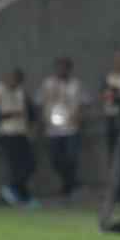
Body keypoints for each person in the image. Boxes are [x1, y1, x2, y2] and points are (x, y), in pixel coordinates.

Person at [0, 69, 38, 207]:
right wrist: (9, 114)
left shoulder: (21, 93)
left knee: (30, 165)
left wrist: (33, 128)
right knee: (16, 166)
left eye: (18, 80)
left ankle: (18, 192)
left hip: (21, 133)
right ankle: (20, 194)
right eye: (13, 79)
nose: (15, 83)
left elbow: (31, 113)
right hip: (6, 133)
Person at [39, 57, 86, 197]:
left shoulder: (76, 84)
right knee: (55, 158)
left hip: (71, 127)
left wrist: (79, 116)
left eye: (65, 67)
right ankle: (69, 183)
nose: (62, 70)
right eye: (59, 67)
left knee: (71, 158)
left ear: (69, 69)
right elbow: (42, 101)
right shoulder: (48, 83)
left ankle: (69, 186)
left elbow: (83, 102)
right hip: (53, 129)